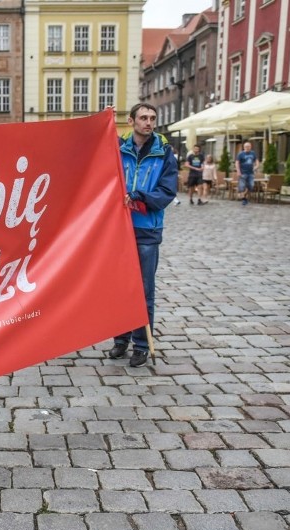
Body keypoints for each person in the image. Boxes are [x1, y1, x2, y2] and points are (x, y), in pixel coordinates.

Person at [108, 103, 178, 367]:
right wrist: (106, 119)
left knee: (143, 289)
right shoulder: (118, 148)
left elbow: (167, 192)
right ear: (132, 121)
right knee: (118, 288)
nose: (149, 122)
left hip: (147, 229)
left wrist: (140, 196)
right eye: (144, 118)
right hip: (118, 229)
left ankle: (141, 345)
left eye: (152, 118)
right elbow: (97, 146)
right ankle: (120, 340)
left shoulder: (164, 153)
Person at [235, 141, 259, 206]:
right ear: (244, 147)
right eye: (246, 146)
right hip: (243, 173)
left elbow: (256, 161)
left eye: (248, 146)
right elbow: (237, 163)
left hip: (251, 173)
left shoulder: (253, 153)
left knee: (251, 186)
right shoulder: (240, 154)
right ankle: (244, 199)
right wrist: (238, 171)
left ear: (250, 147)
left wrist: (256, 166)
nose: (247, 148)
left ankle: (244, 195)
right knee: (242, 186)